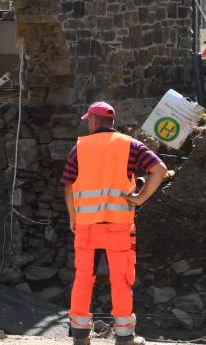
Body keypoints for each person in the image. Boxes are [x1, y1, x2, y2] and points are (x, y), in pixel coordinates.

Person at [62, 102, 169, 345]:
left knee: (83, 277)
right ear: (111, 122)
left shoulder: (80, 147)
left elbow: (68, 185)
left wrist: (73, 216)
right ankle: (124, 337)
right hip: (119, 225)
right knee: (121, 279)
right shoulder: (131, 145)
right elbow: (160, 169)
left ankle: (80, 336)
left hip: (87, 225)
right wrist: (140, 198)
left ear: (92, 120)